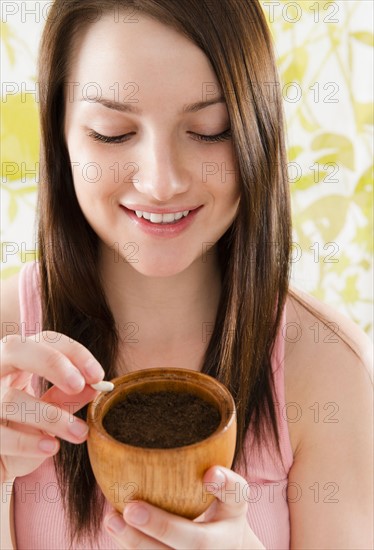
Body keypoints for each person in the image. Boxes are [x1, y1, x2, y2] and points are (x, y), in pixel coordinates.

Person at [1, 0, 372, 548]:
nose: (161, 183)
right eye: (111, 132)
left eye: (208, 129)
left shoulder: (324, 363)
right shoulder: (8, 346)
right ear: (60, 138)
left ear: (258, 132)